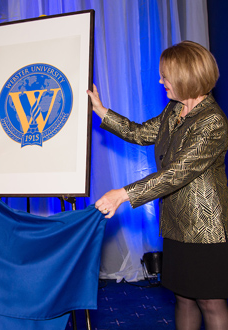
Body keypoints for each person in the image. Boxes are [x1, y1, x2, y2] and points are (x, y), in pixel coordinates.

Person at [87, 40, 228, 330]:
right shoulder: (175, 110)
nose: (160, 80)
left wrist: (122, 195)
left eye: (166, 75)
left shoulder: (213, 121)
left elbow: (174, 174)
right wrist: (102, 111)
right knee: (184, 298)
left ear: (186, 77)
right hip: (177, 223)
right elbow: (139, 133)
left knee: (210, 302)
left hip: (206, 228)